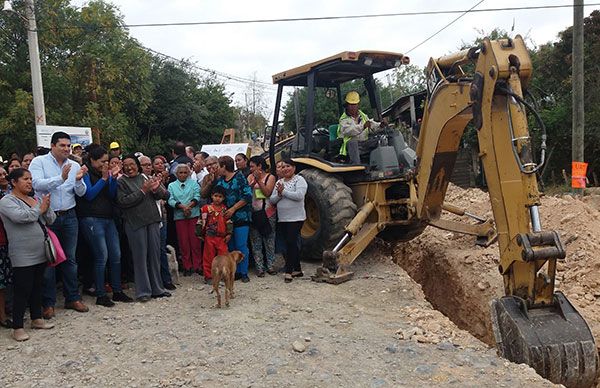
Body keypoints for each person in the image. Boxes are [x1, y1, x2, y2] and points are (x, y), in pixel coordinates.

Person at [29, 131, 89, 318]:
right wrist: (60, 179)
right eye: (62, 145)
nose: (66, 149)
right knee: (49, 259)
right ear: (53, 145)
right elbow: (36, 185)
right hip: (48, 217)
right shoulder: (39, 162)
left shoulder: (74, 164)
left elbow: (80, 193)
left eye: (68, 146)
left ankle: (72, 297)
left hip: (69, 215)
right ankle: (49, 303)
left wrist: (78, 181)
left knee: (70, 259)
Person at [0, 168, 55, 341]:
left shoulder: (34, 199)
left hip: (40, 250)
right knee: (22, 289)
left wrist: (46, 207)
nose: (29, 182)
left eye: (31, 178)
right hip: (22, 253)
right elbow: (21, 217)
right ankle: (17, 327)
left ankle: (36, 318)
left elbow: (50, 219)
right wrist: (40, 208)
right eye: (25, 179)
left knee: (38, 285)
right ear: (14, 182)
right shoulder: (6, 201)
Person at [79, 146, 133, 307]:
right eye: (102, 161)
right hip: (91, 218)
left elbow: (111, 195)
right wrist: (103, 179)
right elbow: (89, 195)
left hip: (108, 218)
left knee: (116, 255)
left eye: (107, 161)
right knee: (101, 256)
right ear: (92, 161)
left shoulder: (107, 173)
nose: (105, 164)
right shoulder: (85, 173)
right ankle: (101, 293)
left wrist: (112, 179)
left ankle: (117, 290)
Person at [116, 154, 170, 302]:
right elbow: (123, 202)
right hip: (135, 223)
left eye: (132, 164)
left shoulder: (146, 178)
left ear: (137, 165)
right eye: (126, 165)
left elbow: (164, 195)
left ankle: (157, 289)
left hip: (152, 220)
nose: (129, 167)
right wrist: (142, 191)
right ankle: (143, 291)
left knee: (154, 255)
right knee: (140, 258)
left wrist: (155, 188)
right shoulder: (121, 182)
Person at [215, 155, 252, 282]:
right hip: (226, 219)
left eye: (219, 166)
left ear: (224, 166)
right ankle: (232, 271)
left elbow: (247, 196)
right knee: (229, 246)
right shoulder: (220, 181)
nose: (217, 169)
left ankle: (244, 272)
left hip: (241, 217)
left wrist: (233, 209)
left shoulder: (239, 177)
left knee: (241, 245)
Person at [269, 159, 307, 283]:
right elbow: (272, 200)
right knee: (289, 243)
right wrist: (279, 194)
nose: (285, 169)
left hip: (296, 218)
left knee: (291, 242)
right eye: (283, 167)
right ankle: (298, 269)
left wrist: (283, 192)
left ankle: (289, 271)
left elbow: (299, 196)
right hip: (283, 218)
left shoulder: (299, 180)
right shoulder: (279, 182)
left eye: (288, 166)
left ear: (294, 168)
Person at [167, 164, 202, 276]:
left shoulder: (194, 183)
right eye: (180, 172)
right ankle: (187, 266)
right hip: (179, 216)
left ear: (188, 173)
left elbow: (197, 196)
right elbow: (170, 199)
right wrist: (182, 207)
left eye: (185, 172)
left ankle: (198, 265)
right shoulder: (171, 185)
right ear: (176, 174)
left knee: (195, 241)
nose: (183, 174)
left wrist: (189, 207)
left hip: (193, 214)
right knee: (183, 242)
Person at [247, 156, 277, 276]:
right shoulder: (249, 177)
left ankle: (270, 266)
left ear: (260, 166)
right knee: (256, 241)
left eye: (252, 166)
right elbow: (247, 193)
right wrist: (252, 183)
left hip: (267, 213)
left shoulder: (270, 177)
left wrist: (259, 181)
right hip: (254, 212)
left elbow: (267, 192)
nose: (250, 169)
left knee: (269, 240)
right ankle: (259, 268)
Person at [337, 91, 385, 164]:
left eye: (355, 104)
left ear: (358, 104)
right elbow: (349, 131)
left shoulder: (363, 116)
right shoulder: (343, 119)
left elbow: (372, 126)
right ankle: (356, 166)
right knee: (352, 143)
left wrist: (381, 125)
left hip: (364, 143)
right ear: (347, 105)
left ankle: (381, 164)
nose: (353, 107)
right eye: (351, 104)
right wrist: (363, 126)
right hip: (350, 147)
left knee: (382, 139)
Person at [199, 186, 232, 284]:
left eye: (220, 196)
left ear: (223, 198)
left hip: (222, 237)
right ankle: (208, 277)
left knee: (223, 256)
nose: (217, 198)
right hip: (209, 236)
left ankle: (222, 276)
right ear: (211, 196)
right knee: (208, 257)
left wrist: (229, 233)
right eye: (215, 196)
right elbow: (200, 221)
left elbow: (229, 222)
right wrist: (199, 233)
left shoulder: (225, 209)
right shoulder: (205, 208)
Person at [151, 156, 175, 290]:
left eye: (162, 163)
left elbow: (167, 195)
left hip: (163, 215)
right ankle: (156, 279)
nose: (160, 165)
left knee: (162, 247)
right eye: (156, 163)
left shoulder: (170, 177)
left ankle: (166, 278)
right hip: (151, 216)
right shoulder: (149, 179)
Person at [0, 167, 12, 329]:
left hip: (5, 241)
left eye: (4, 173)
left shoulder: (10, 192)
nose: (3, 176)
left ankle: (3, 313)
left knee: (2, 283)